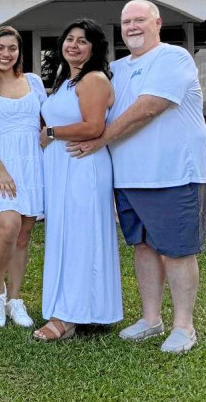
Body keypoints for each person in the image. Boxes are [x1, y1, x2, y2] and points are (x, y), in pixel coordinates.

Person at [68, 0, 206, 353]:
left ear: (157, 22)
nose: (132, 26)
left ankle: (184, 327)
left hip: (173, 175)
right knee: (143, 248)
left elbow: (148, 108)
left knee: (176, 252)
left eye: (139, 20)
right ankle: (150, 319)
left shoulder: (173, 58)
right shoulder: (115, 68)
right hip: (128, 178)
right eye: (126, 21)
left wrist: (99, 140)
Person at [35, 19, 123, 341]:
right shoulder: (67, 80)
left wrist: (52, 132)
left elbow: (94, 126)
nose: (73, 45)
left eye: (82, 41)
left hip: (83, 165)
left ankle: (67, 319)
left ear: (94, 47)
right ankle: (83, 309)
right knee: (66, 237)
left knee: (80, 238)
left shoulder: (93, 79)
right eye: (69, 39)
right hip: (63, 167)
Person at [0, 26, 45, 329]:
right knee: (9, 226)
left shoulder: (34, 82)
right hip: (1, 164)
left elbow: (47, 119)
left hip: (33, 163)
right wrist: (0, 170)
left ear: (19, 52)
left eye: (12, 48)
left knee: (25, 234)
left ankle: (16, 299)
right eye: (0, 48)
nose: (6, 54)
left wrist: (49, 136)